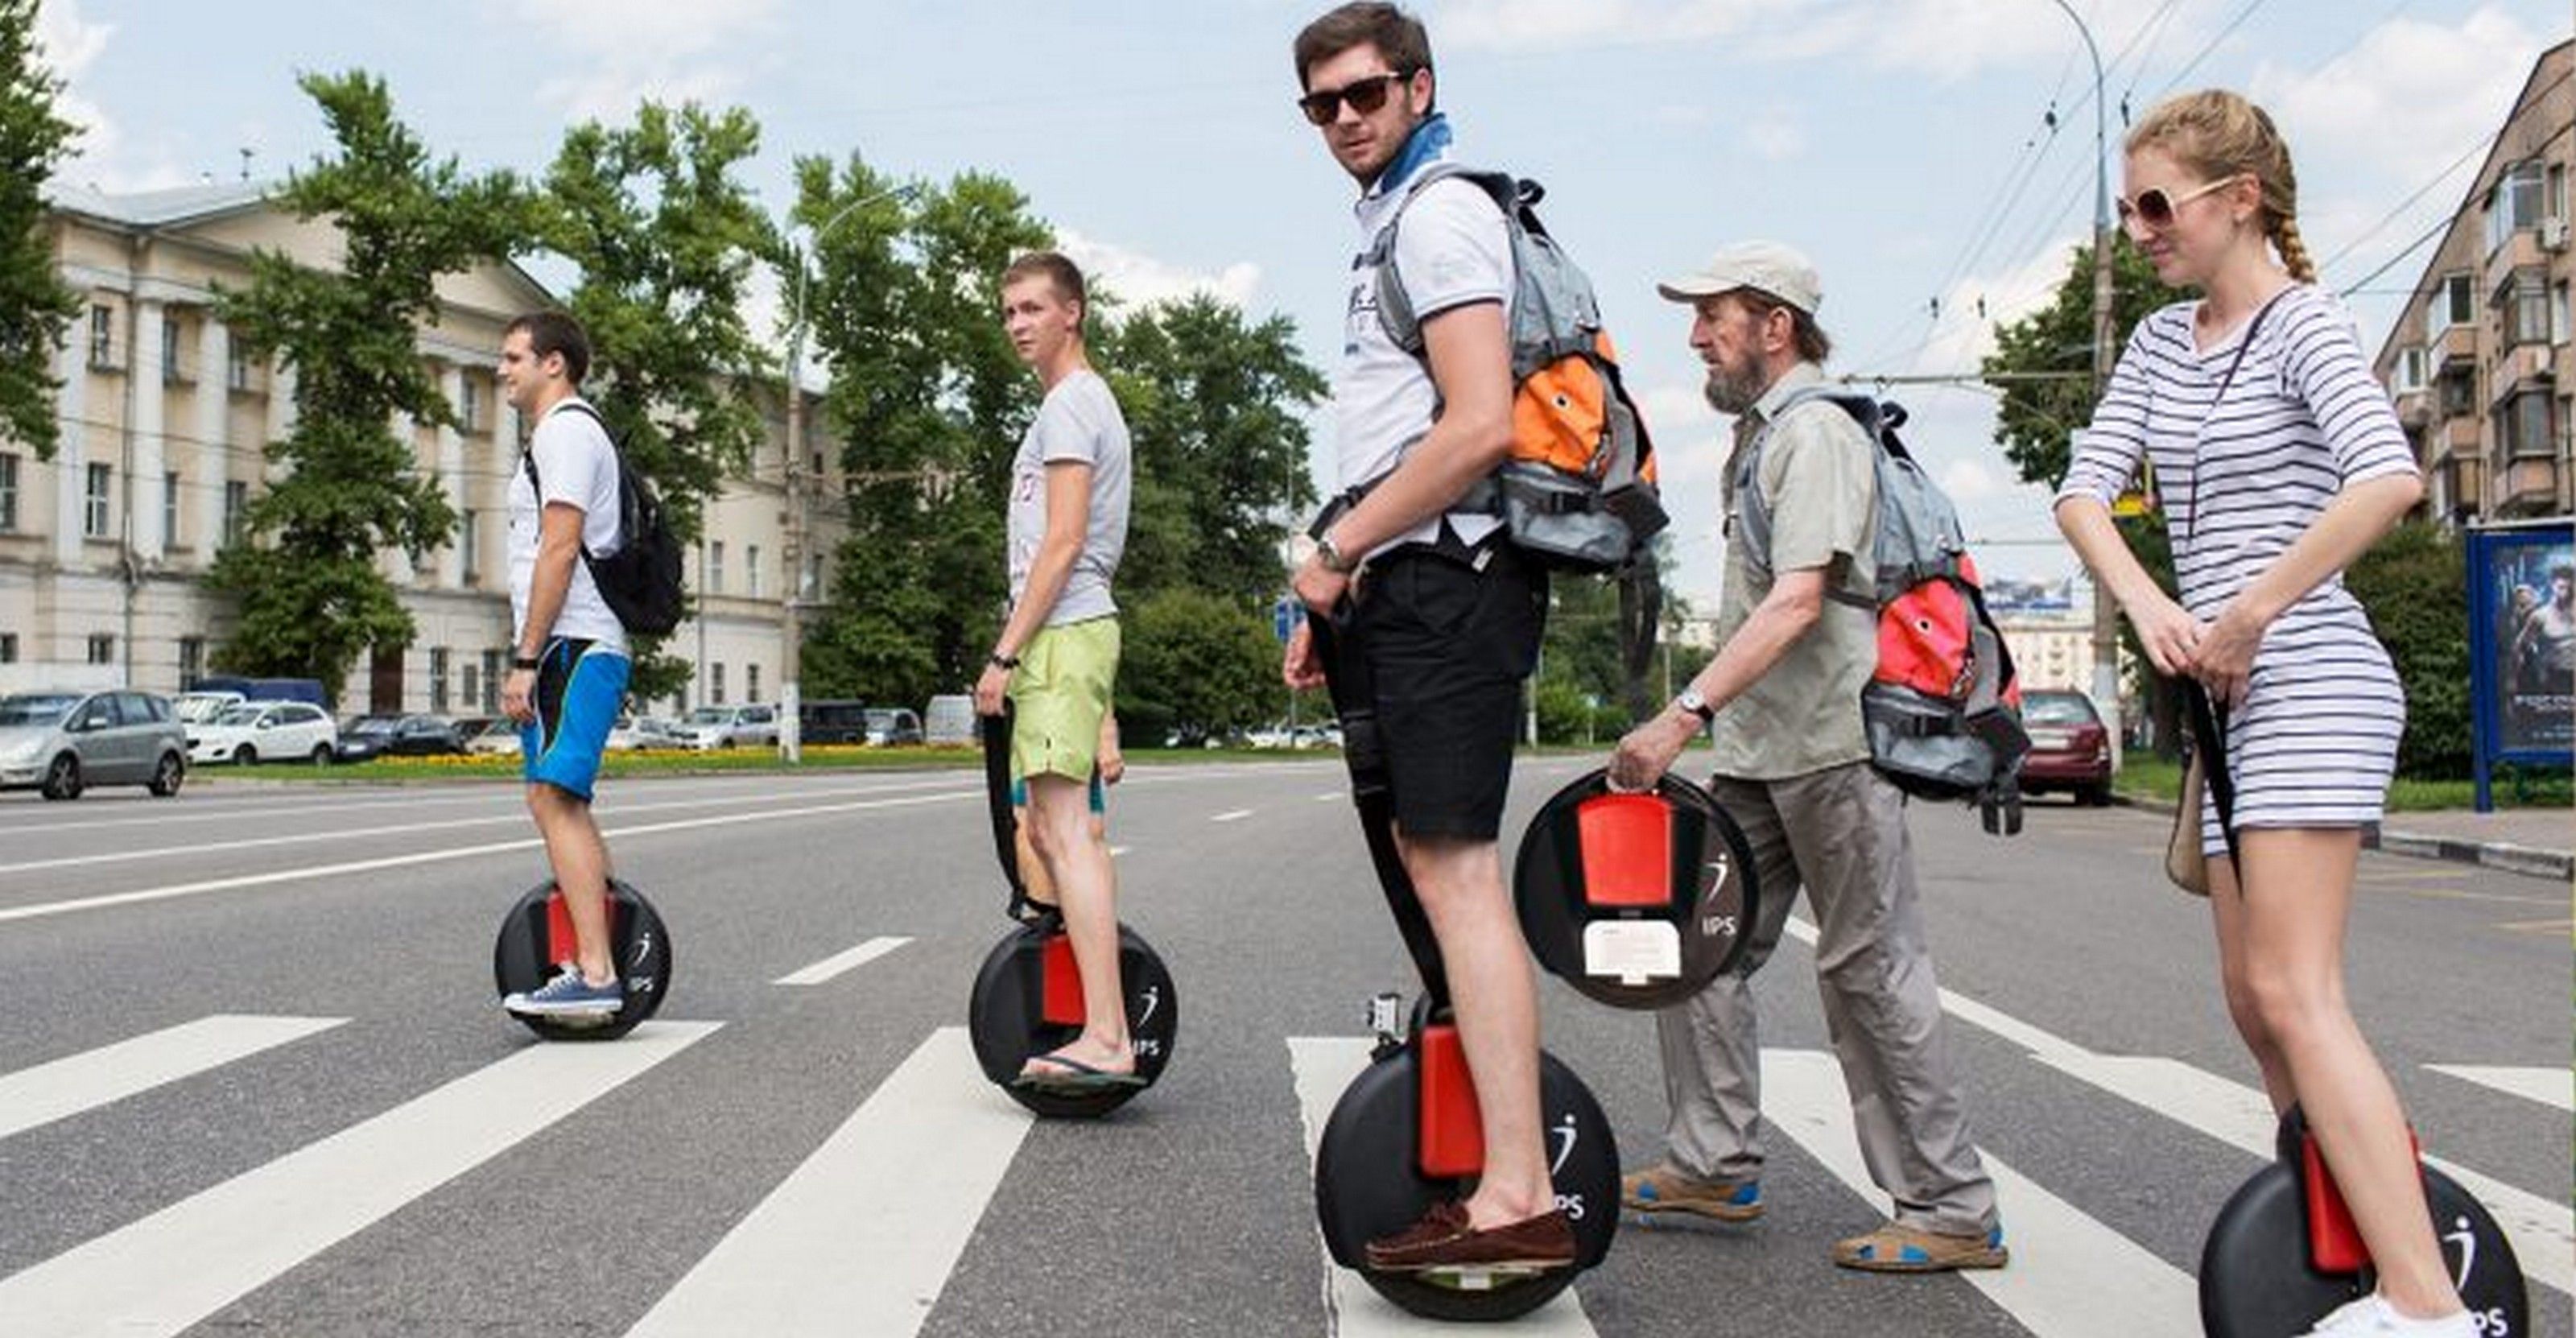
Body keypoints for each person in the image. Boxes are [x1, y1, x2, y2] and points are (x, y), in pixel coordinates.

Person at [2054, 91, 2467, 1337]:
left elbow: (2388, 477)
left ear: (2240, 200)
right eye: (2129, 207)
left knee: (2297, 991)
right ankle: (2339, 1232)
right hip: (2224, 697)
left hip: (2312, 681)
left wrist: (2248, 613)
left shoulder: (2306, 327)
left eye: (2157, 204)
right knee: (2253, 998)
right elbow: (2084, 491)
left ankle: (2426, 1304)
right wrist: (2155, 606)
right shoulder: (2163, 345)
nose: (2139, 229)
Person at [1604, 242, 2007, 1273]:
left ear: (1773, 325)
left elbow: (1796, 602)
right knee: (1694, 945)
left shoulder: (1816, 433)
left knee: (1866, 969)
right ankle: (1712, 1159)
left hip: (1832, 747)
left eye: (1713, 317)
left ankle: (1949, 1206)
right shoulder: (1761, 438)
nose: (1696, 336)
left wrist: (1678, 716)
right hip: (1759, 752)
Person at [1281, 1, 1571, 1274]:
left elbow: (1476, 428)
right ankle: (1493, 1154)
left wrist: (1340, 551)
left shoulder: (1444, 211)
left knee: (1456, 869)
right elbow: (1400, 439)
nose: (1346, 118)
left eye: (1365, 94)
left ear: (1417, 86)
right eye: (1323, 104)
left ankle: (1516, 1190)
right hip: (1401, 584)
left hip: (1453, 582)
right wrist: (1330, 584)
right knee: (1429, 860)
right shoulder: (1387, 222)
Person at [975, 250, 1137, 1089]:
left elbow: (1063, 542)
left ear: (1071, 312)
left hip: (1060, 631)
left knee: (1066, 835)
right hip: (1066, 631)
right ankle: (1099, 1021)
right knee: (1046, 829)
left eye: (1033, 308)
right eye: (1008, 312)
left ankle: (1107, 1034)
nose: (1018, 324)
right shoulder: (1068, 407)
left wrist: (1006, 650)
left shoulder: (1072, 408)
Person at [495, 311, 634, 1018]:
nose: (503, 369)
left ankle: (598, 971)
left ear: (555, 364)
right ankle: (602, 945)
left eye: (515, 357)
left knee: (557, 798)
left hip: (575, 644)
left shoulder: (568, 432)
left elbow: (559, 546)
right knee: (552, 798)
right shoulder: (555, 436)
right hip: (565, 643)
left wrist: (526, 656)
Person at [1011, 710, 1121, 915]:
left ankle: (1053, 930)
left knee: (1037, 830)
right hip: (1046, 719)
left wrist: (1107, 734)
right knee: (1042, 831)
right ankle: (1076, 930)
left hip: (1058, 715)